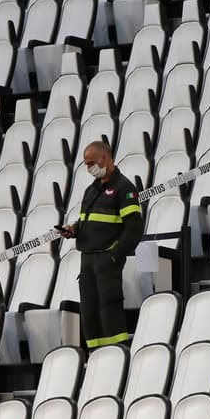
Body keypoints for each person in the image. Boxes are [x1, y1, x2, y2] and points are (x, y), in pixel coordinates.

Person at [59, 141, 144, 351]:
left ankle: (118, 353)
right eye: (86, 164)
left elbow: (134, 230)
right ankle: (96, 355)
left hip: (107, 259)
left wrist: (114, 256)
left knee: (109, 308)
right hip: (87, 259)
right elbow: (88, 220)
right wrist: (74, 230)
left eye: (91, 163)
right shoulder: (92, 189)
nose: (88, 168)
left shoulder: (124, 188)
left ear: (104, 159)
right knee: (89, 312)